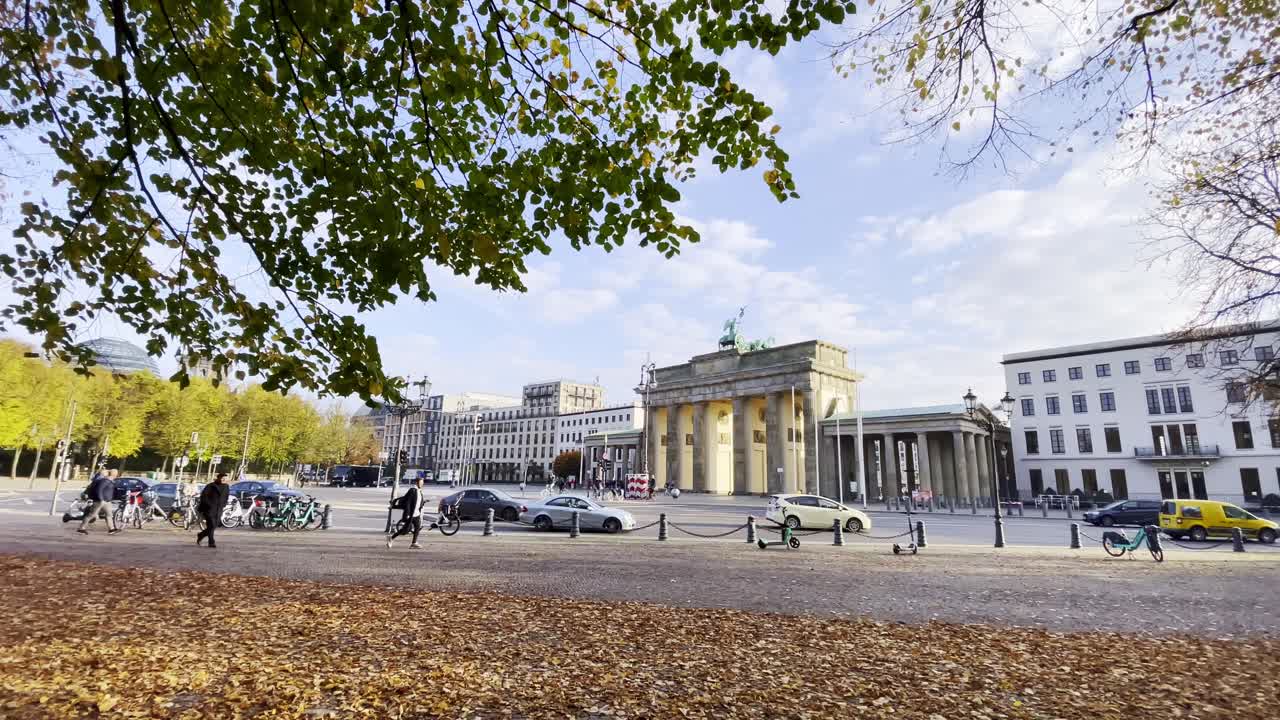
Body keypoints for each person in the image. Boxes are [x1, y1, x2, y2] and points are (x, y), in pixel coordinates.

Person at [77, 468, 120, 535]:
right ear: (114, 474)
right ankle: (81, 528)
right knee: (92, 515)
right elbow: (99, 490)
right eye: (116, 473)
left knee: (109, 515)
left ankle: (111, 529)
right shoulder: (105, 481)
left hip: (106, 501)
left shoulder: (110, 481)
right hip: (100, 501)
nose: (117, 475)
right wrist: (100, 499)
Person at [387, 476, 425, 549]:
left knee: (417, 527)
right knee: (405, 530)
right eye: (421, 482)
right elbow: (408, 502)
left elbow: (418, 501)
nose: (422, 484)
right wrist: (407, 514)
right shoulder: (412, 490)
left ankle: (414, 543)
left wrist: (423, 502)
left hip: (416, 513)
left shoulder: (419, 491)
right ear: (416, 482)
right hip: (410, 514)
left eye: (422, 482)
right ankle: (391, 538)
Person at [196, 472, 230, 548]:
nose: (223, 480)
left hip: (219, 509)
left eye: (225, 479)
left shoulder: (226, 486)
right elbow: (203, 496)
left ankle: (201, 534)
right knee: (211, 524)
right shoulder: (210, 486)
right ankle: (211, 542)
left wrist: (224, 504)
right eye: (222, 478)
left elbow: (226, 496)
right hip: (209, 509)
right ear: (218, 478)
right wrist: (209, 504)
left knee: (214, 525)